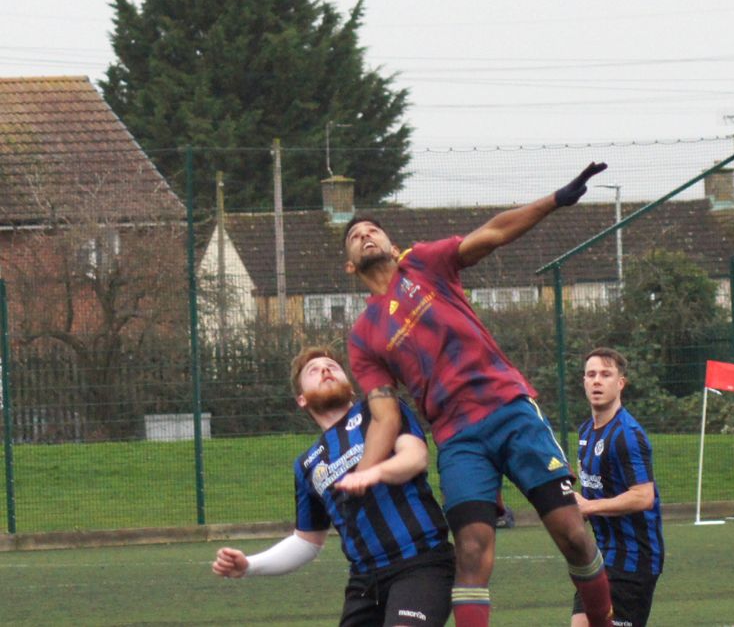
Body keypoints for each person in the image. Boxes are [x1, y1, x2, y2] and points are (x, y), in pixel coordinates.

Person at [337, 163, 614, 627]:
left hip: (511, 412)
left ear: (391, 244)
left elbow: (491, 235)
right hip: (459, 440)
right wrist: (363, 475)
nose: (366, 236)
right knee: (470, 552)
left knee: (572, 534)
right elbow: (383, 416)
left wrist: (554, 200)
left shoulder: (424, 263)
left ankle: (603, 623)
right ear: (349, 264)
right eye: (355, 236)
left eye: (373, 230)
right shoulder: (364, 337)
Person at [212, 346, 455, 627]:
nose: (325, 370)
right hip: (365, 582)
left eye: (332, 366)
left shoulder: (380, 412)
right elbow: (306, 542)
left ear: (351, 388)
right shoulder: (307, 465)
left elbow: (415, 457)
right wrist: (249, 566)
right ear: (301, 399)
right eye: (313, 371)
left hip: (421, 564)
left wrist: (375, 472)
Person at [572, 347, 664, 627]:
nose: (597, 381)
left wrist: (589, 506)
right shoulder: (586, 431)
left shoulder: (628, 435)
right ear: (584, 382)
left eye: (605, 374)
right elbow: (592, 490)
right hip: (600, 559)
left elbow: (643, 496)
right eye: (591, 374)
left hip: (633, 561)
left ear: (620, 383)